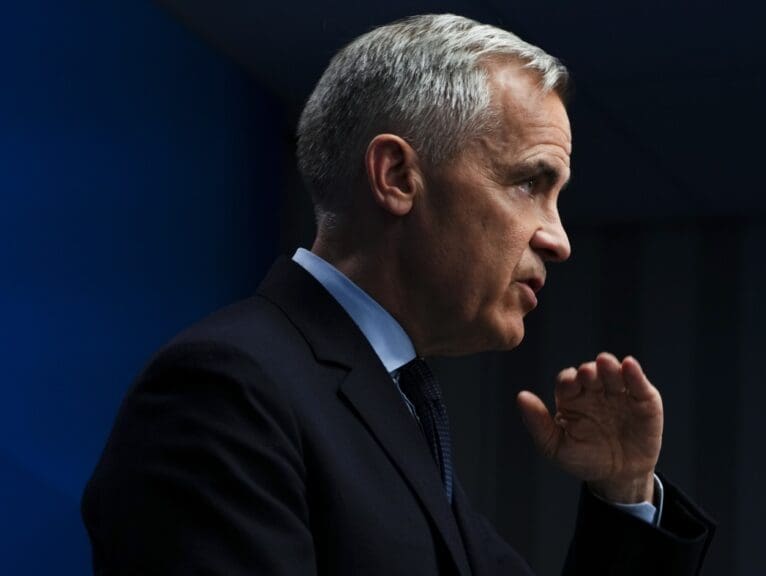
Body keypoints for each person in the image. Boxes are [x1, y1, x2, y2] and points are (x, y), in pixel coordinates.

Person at [82, 14, 715, 575]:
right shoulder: (227, 389)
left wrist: (623, 492)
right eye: (529, 183)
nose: (558, 239)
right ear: (397, 177)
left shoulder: (394, 407)